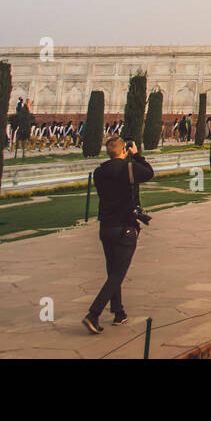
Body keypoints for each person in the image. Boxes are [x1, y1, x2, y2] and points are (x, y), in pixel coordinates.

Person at [83, 137, 153, 335]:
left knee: (113, 271)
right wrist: (137, 155)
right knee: (117, 274)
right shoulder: (129, 169)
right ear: (124, 150)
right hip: (125, 228)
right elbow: (149, 172)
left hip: (106, 227)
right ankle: (93, 314)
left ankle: (118, 312)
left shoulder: (99, 172)